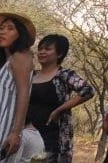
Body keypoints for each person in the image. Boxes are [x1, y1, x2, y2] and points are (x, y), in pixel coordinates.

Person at [0, 12, 45, 162]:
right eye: (1, 28)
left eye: (10, 28)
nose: (2, 32)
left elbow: (24, 95)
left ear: (20, 35)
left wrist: (16, 133)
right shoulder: (7, 63)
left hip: (1, 133)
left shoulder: (21, 57)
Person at [27, 34, 94, 163]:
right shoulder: (31, 76)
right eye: (40, 49)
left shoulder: (64, 75)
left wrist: (59, 110)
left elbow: (87, 90)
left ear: (59, 54)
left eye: (47, 49)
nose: (42, 52)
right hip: (28, 135)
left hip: (52, 138)